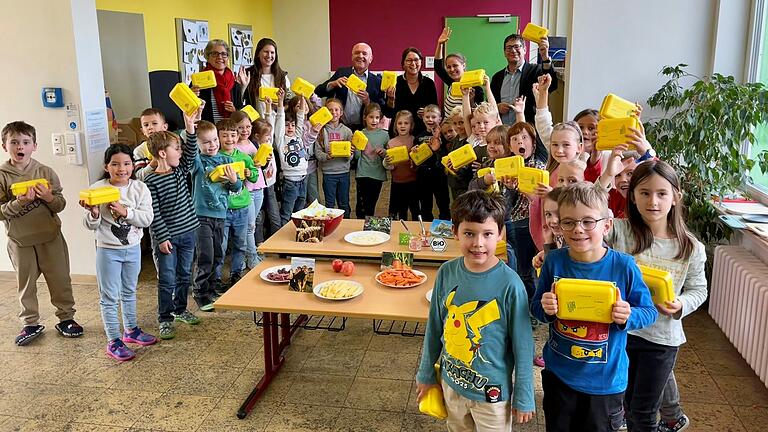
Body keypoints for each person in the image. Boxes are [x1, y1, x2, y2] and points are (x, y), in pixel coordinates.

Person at [531, 182, 658, 432]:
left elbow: (649, 311)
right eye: (569, 222)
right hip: (559, 376)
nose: (578, 229)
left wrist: (628, 314)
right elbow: (536, 308)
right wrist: (545, 307)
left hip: (605, 383)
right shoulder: (554, 261)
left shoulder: (624, 266)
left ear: (607, 225)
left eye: (588, 221)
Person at [601, 157, 707, 432]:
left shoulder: (690, 247)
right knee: (618, 404)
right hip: (619, 332)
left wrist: (680, 304)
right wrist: (607, 176)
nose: (653, 201)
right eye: (645, 193)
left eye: (662, 194)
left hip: (660, 340)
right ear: (632, 196)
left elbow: (698, 289)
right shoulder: (619, 232)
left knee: (644, 412)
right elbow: (592, 214)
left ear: (675, 197)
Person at [416, 190, 535, 431]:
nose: (478, 243)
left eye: (487, 234)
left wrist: (524, 394)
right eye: (469, 233)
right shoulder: (447, 273)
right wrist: (426, 373)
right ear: (455, 233)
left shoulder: (510, 284)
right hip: (452, 384)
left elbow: (523, 345)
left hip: (492, 395)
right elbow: (435, 327)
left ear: (500, 235)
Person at [0, 121, 83, 346]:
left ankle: (66, 318)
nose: (20, 146)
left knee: (60, 279)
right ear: (4, 145)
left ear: (34, 146)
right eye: (14, 142)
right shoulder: (2, 176)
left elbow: (60, 204)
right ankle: (30, 323)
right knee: (25, 283)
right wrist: (19, 203)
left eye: (26, 142)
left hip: (50, 236)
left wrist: (47, 197)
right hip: (20, 240)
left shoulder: (45, 172)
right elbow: (0, 213)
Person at [80, 144, 156, 361]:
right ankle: (113, 340)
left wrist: (126, 212)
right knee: (109, 297)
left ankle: (131, 330)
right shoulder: (97, 188)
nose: (121, 169)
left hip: (132, 249)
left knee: (130, 291)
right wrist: (94, 213)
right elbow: (90, 226)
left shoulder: (140, 188)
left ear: (133, 165)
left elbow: (147, 219)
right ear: (106, 166)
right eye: (115, 164)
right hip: (107, 251)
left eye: (126, 163)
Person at [144, 104, 204, 340]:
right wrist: (163, 238)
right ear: (162, 153)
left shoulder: (180, 171)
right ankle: (165, 317)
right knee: (167, 278)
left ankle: (180, 308)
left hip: (188, 232)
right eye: (175, 149)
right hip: (167, 239)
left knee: (183, 275)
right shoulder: (150, 181)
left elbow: (190, 154)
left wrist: (190, 128)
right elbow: (154, 214)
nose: (180, 152)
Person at [190, 120, 241, 311]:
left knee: (218, 254)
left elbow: (236, 187)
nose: (211, 145)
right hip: (201, 216)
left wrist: (235, 181)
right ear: (198, 145)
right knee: (206, 255)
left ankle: (211, 288)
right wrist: (190, 127)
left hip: (220, 215)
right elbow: (189, 152)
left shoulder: (225, 160)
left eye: (214, 140)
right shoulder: (197, 161)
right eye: (205, 142)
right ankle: (200, 292)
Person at [214, 118, 258, 287]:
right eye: (225, 136)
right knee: (221, 245)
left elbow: (254, 176)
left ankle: (236, 274)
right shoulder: (215, 157)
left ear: (238, 136)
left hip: (242, 206)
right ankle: (216, 278)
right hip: (223, 208)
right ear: (218, 137)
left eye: (233, 135)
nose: (229, 139)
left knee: (241, 244)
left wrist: (249, 172)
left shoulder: (244, 157)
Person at [315, 43, 385, 131]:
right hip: (339, 127)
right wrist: (333, 84)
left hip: (364, 129)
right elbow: (318, 92)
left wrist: (368, 101)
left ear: (370, 59)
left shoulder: (377, 81)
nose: (360, 56)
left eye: (364, 53)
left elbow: (382, 109)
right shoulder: (341, 73)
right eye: (357, 53)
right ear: (352, 57)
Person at [273, 90, 319, 224]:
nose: (290, 127)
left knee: (300, 211)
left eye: (292, 125)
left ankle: (297, 232)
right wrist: (280, 101)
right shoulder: (281, 140)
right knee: (287, 212)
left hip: (303, 179)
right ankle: (282, 236)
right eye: (287, 125)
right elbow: (280, 119)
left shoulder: (298, 136)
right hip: (290, 182)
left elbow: (300, 117)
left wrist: (302, 96)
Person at [491, 34, 557, 125]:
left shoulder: (535, 71)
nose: (513, 50)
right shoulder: (497, 78)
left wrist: (545, 57)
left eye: (516, 46)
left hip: (528, 131)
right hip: (502, 132)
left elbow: (552, 86)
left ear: (525, 50)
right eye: (509, 48)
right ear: (504, 52)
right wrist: (497, 107)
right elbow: (490, 104)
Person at [231, 110, 264, 268]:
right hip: (245, 190)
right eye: (240, 128)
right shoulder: (234, 147)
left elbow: (259, 165)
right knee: (249, 226)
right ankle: (251, 257)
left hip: (258, 187)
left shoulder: (253, 142)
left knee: (252, 224)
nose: (245, 130)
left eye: (248, 126)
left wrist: (264, 160)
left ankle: (244, 256)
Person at [384, 47, 438, 136]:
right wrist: (391, 99)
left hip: (423, 132)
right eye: (409, 60)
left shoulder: (429, 83)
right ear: (403, 64)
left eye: (416, 60)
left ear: (421, 62)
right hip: (400, 132)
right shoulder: (395, 82)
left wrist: (427, 111)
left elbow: (435, 109)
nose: (413, 63)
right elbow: (388, 113)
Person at [433, 26, 485, 117]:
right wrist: (440, 44)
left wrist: (471, 101)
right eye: (448, 67)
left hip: (464, 128)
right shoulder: (451, 82)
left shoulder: (476, 88)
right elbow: (438, 67)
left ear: (463, 65)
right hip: (448, 127)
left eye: (455, 65)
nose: (452, 69)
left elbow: (480, 115)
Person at [314, 98, 353, 217]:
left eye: (336, 110)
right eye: (330, 110)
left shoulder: (347, 132)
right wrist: (327, 156)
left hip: (344, 172)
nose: (334, 113)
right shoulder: (321, 131)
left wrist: (349, 154)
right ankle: (331, 226)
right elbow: (318, 153)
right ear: (326, 112)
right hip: (328, 174)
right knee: (330, 203)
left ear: (341, 112)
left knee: (344, 203)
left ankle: (346, 225)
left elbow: (351, 155)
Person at [242, 38, 292, 117]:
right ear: (258, 54)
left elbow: (289, 104)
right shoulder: (248, 74)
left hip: (278, 122)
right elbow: (241, 100)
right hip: (256, 124)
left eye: (272, 52)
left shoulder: (283, 77)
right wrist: (243, 86)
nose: (269, 55)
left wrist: (279, 106)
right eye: (266, 52)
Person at [384, 110, 420, 220]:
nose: (403, 126)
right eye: (400, 123)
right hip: (397, 183)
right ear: (395, 125)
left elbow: (419, 162)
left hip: (413, 182)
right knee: (398, 211)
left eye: (406, 123)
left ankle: (416, 232)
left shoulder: (415, 140)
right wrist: (387, 162)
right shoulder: (391, 143)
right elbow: (389, 165)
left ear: (411, 125)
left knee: (415, 210)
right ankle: (398, 232)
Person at [196, 40, 243, 123]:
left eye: (224, 54)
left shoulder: (235, 85)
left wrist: (234, 111)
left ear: (228, 58)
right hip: (207, 131)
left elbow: (241, 114)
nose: (220, 57)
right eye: (215, 54)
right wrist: (192, 96)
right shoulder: (199, 81)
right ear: (207, 57)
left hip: (229, 132)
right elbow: (187, 110)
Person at [354, 103, 388, 217]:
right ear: (365, 117)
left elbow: (389, 158)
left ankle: (368, 229)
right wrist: (358, 148)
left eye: (377, 117)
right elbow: (357, 156)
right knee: (361, 204)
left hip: (377, 174)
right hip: (362, 173)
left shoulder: (385, 135)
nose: (374, 120)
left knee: (371, 204)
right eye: (371, 117)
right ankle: (359, 228)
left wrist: (383, 152)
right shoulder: (360, 134)